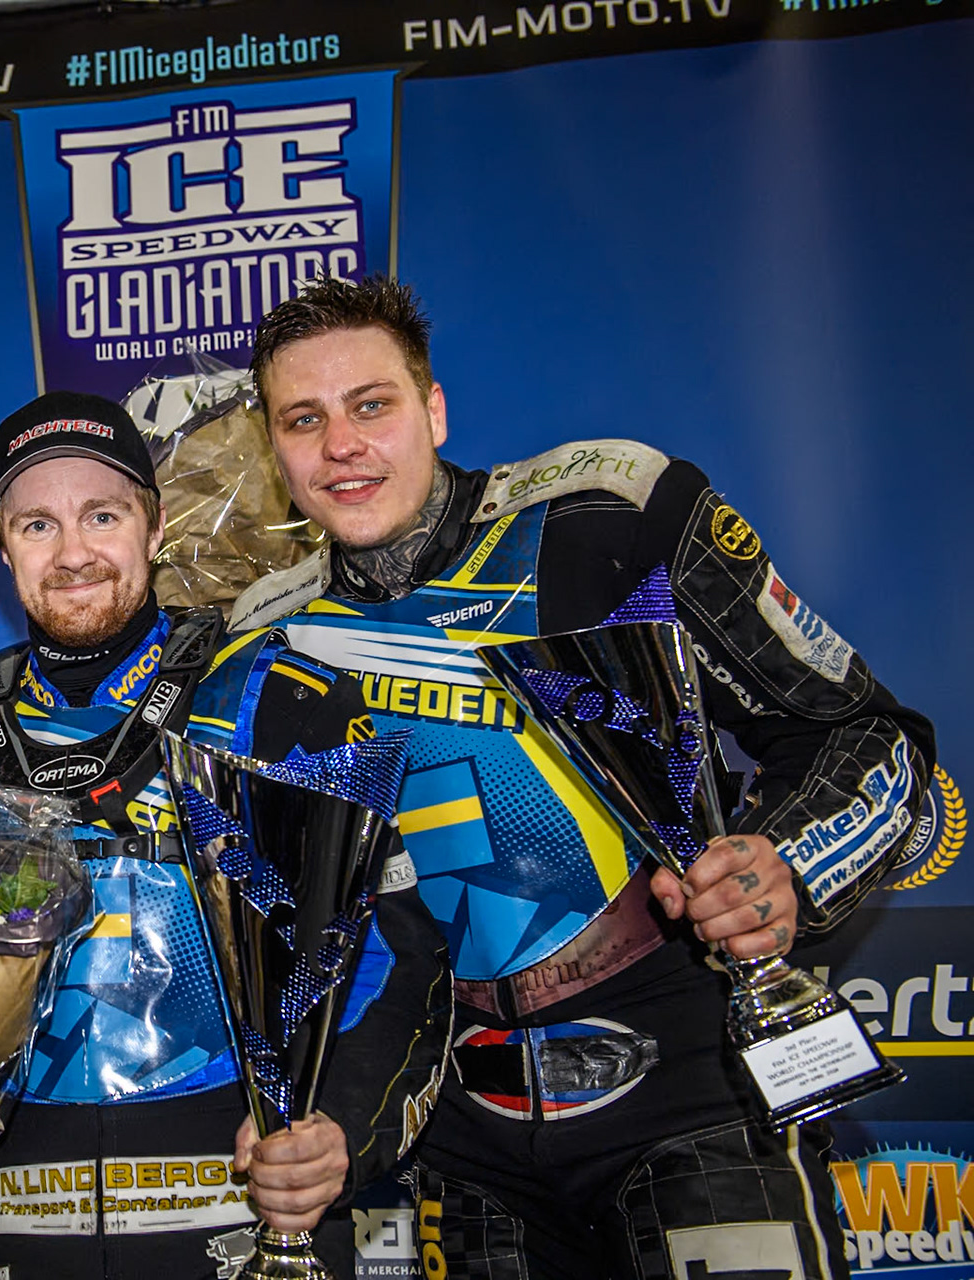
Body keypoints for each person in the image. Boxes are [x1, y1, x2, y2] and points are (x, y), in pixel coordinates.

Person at [231, 275, 936, 1278]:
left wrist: (781, 862)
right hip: (463, 1142)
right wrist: (339, 1116)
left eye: (371, 403)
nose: (342, 443)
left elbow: (868, 736)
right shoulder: (264, 643)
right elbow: (332, 935)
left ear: (433, 409)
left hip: (691, 1086)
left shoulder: (609, 513)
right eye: (304, 419)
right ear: (276, 452)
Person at [0, 390, 451, 1279]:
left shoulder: (278, 698)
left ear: (153, 528)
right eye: (37, 525)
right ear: (1, 551)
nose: (74, 553)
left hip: (244, 1181)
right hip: (21, 1194)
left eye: (102, 515)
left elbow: (401, 953)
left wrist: (336, 1124)